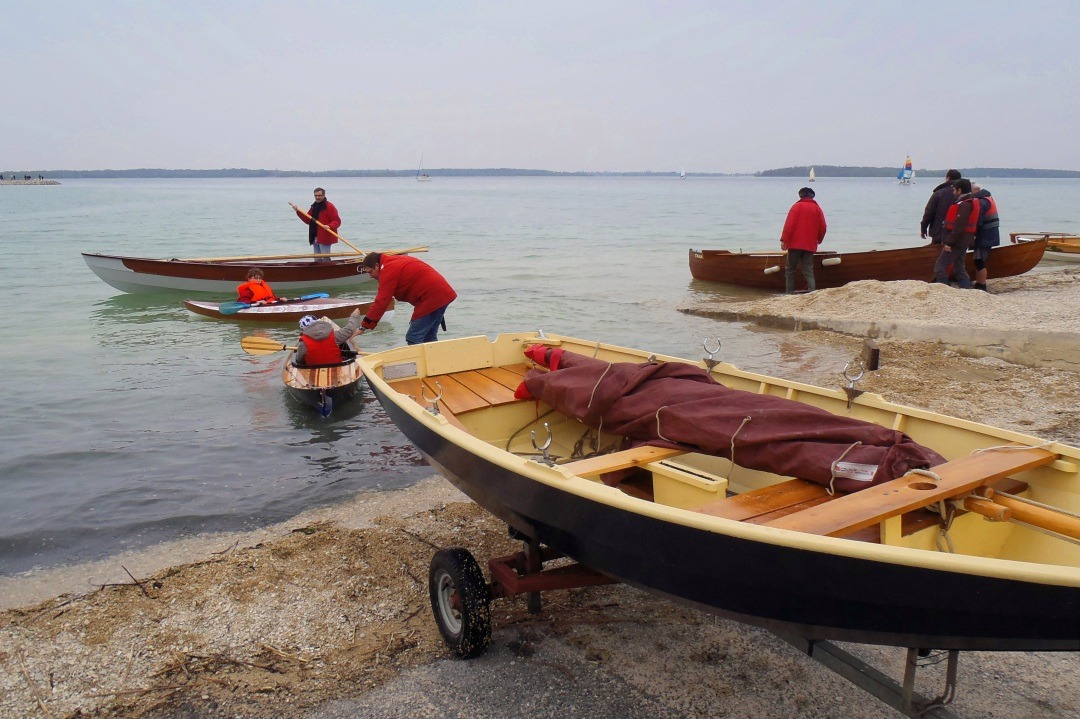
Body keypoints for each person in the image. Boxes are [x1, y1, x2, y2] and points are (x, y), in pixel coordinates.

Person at [358, 252, 457, 345]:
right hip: (441, 294)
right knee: (429, 337)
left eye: (370, 272)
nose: (370, 276)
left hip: (432, 297)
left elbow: (382, 302)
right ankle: (435, 362)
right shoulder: (391, 261)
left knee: (413, 337)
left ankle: (420, 363)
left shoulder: (388, 270)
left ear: (376, 266)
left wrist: (363, 326)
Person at [780, 187, 828, 294]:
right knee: (808, 270)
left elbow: (789, 225)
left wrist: (784, 240)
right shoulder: (817, 209)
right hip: (810, 244)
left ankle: (789, 293)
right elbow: (823, 227)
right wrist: (819, 239)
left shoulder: (796, 206)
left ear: (800, 196)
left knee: (790, 269)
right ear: (812, 196)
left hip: (794, 244)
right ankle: (812, 292)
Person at [932, 178, 979, 288]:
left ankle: (943, 289)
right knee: (959, 267)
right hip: (964, 240)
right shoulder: (968, 202)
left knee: (940, 266)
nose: (953, 192)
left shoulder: (965, 205)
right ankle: (965, 289)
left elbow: (959, 227)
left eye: (954, 190)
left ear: (960, 190)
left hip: (957, 241)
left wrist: (949, 243)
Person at [294, 309, 365, 366]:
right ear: (319, 323)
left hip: (312, 369)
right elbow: (350, 329)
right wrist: (355, 315)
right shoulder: (334, 335)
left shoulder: (303, 343)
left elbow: (299, 360)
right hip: (337, 366)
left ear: (304, 329)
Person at [292, 187, 341, 255]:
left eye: (319, 195)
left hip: (325, 236)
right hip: (314, 236)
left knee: (325, 257)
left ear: (324, 196)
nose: (317, 197)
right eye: (316, 195)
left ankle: (328, 266)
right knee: (317, 259)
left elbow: (337, 221)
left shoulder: (329, 206)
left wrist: (329, 226)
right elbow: (307, 220)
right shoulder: (314, 206)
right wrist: (298, 211)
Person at [970, 183, 1000, 291]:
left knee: (979, 260)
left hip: (985, 235)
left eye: (971, 191)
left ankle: (981, 285)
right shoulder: (988, 198)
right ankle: (979, 283)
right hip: (990, 233)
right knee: (979, 259)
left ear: (976, 190)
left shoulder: (982, 202)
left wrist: (972, 234)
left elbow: (978, 220)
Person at [920, 169, 962, 244]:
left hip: (939, 232)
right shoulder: (965, 194)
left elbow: (929, 213)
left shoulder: (938, 193)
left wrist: (923, 229)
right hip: (960, 232)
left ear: (947, 178)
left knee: (936, 253)